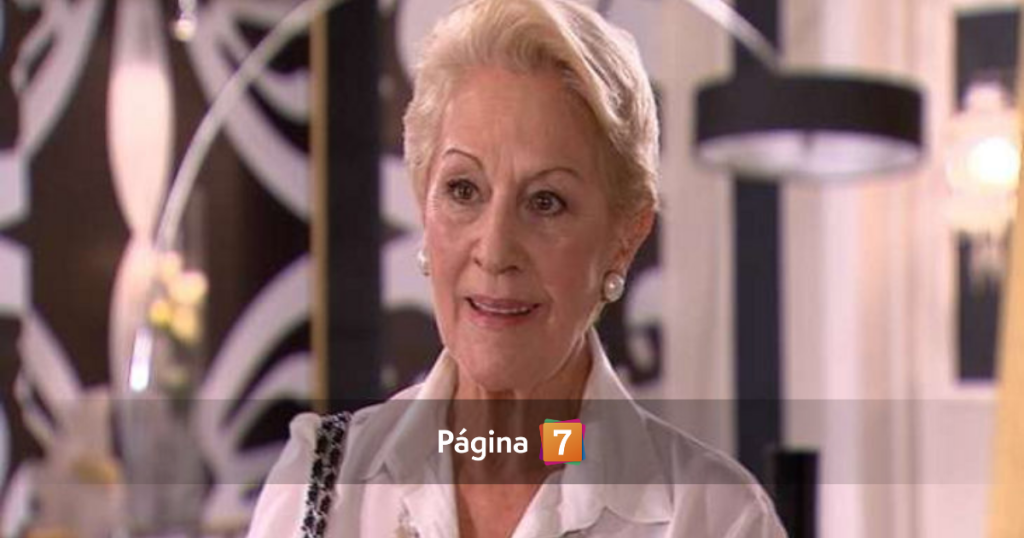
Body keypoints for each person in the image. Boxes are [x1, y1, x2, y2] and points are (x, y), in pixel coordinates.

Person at [247, 0, 787, 536]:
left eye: (546, 201)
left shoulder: (715, 518)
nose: (496, 249)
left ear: (625, 237)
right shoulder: (317, 487)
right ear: (422, 202)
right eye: (463, 190)